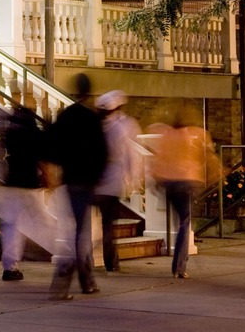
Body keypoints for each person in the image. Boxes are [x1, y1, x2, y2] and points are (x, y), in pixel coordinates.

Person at [44, 73, 108, 300]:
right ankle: (71, 281)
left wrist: (58, 168)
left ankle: (85, 280)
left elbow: (49, 144)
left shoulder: (66, 116)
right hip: (86, 181)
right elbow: (102, 153)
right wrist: (98, 178)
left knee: (76, 232)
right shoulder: (91, 119)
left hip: (69, 180)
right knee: (80, 234)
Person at [150, 104, 218, 279]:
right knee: (185, 222)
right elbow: (208, 156)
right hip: (187, 182)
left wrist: (157, 179)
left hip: (169, 183)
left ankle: (179, 260)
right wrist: (214, 174)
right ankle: (179, 266)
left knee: (179, 222)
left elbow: (159, 159)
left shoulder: (167, 135)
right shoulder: (196, 134)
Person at [0, 103, 59, 282]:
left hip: (12, 184)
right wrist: (49, 179)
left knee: (11, 226)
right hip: (29, 185)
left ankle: (10, 267)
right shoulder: (32, 134)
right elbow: (42, 159)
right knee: (43, 222)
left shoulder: (11, 134)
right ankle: (66, 252)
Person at [94, 89, 142, 272]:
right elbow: (130, 153)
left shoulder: (99, 126)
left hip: (98, 181)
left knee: (104, 223)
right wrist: (132, 177)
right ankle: (111, 262)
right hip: (112, 181)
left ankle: (108, 259)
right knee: (108, 223)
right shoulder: (123, 126)